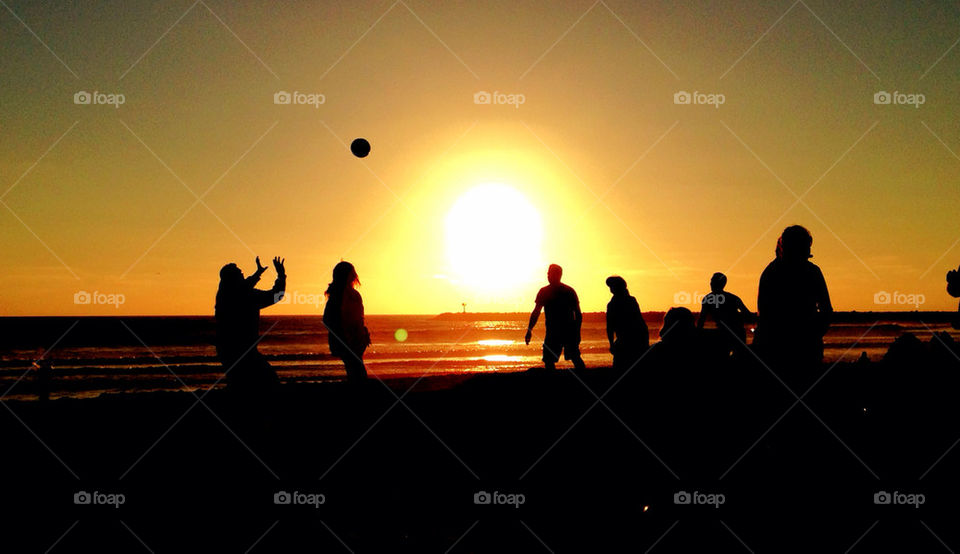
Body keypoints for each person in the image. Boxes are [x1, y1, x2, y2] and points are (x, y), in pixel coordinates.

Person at [755, 225, 832, 366]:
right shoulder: (811, 272)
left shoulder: (771, 271)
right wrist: (814, 334)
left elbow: (764, 312)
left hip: (782, 345)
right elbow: (826, 309)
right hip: (788, 345)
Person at [215, 256, 285, 392]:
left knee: (238, 385)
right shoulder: (247, 296)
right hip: (244, 352)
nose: (243, 275)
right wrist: (281, 275)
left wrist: (258, 273)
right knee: (269, 382)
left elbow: (243, 286)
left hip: (226, 350)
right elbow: (277, 295)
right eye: (240, 274)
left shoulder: (224, 294)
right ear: (235, 279)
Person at [525, 264, 586, 370]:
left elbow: (578, 314)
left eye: (550, 274)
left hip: (565, 332)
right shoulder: (545, 291)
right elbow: (536, 312)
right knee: (550, 360)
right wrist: (529, 329)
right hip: (555, 332)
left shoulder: (568, 291)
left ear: (558, 275)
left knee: (574, 357)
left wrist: (577, 332)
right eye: (548, 274)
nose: (548, 276)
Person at [323, 261, 370, 382]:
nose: (354, 275)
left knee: (355, 370)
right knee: (357, 370)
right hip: (349, 341)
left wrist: (362, 333)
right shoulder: (341, 295)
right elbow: (328, 319)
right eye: (352, 273)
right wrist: (345, 336)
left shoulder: (348, 294)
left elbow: (358, 318)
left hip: (354, 340)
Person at [696, 272, 753, 354]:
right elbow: (748, 315)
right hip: (734, 333)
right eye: (711, 281)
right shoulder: (733, 298)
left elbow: (701, 321)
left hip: (726, 335)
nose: (711, 283)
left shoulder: (708, 299)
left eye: (713, 281)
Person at [605, 276, 649, 369]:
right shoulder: (630, 300)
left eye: (611, 287)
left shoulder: (613, 304)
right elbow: (641, 322)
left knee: (620, 366)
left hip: (627, 340)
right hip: (635, 338)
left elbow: (610, 326)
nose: (611, 290)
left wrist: (611, 343)